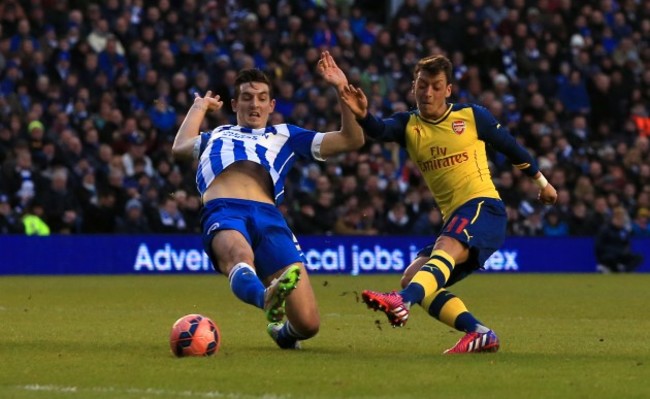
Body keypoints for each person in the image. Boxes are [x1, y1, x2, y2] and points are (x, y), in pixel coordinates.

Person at [339, 54, 557, 354]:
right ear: (413, 86)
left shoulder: (471, 116)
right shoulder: (408, 124)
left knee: (440, 252)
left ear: (448, 90)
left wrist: (542, 184)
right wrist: (363, 116)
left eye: (436, 86)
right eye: (423, 85)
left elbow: (510, 146)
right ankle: (479, 333)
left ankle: (402, 300)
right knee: (415, 276)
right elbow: (380, 130)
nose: (428, 93)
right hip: (456, 218)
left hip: (483, 207)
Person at [171, 51, 363, 349]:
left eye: (262, 98)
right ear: (235, 104)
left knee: (308, 324)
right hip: (225, 209)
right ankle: (266, 297)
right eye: (247, 97)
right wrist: (199, 106)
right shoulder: (216, 135)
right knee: (238, 255)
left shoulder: (285, 135)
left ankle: (282, 333)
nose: (254, 104)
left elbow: (351, 140)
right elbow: (180, 148)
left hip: (270, 219)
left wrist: (342, 91)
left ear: (272, 105)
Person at [595, 207, 643, 273]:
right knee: (611, 258)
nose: (621, 221)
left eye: (622, 219)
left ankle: (625, 272)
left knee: (639, 257)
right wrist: (600, 259)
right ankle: (607, 267)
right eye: (618, 219)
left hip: (620, 256)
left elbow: (626, 244)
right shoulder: (605, 230)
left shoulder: (623, 231)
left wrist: (625, 252)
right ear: (613, 218)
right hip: (609, 255)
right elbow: (598, 246)